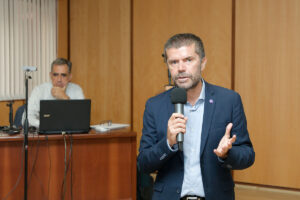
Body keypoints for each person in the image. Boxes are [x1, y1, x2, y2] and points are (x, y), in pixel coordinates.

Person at [137, 33, 255, 200]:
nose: (181, 68)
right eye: (174, 62)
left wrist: (226, 154)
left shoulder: (228, 101)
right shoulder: (155, 106)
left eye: (188, 60)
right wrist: (168, 144)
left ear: (203, 62)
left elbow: (248, 156)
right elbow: (143, 164)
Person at [24, 58, 84, 128]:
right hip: (44, 134)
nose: (59, 79)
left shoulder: (77, 90)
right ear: (50, 75)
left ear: (70, 76)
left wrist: (65, 98)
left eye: (63, 75)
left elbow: (82, 119)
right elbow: (27, 117)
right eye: (55, 75)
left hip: (70, 134)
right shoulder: (39, 90)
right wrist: (48, 125)